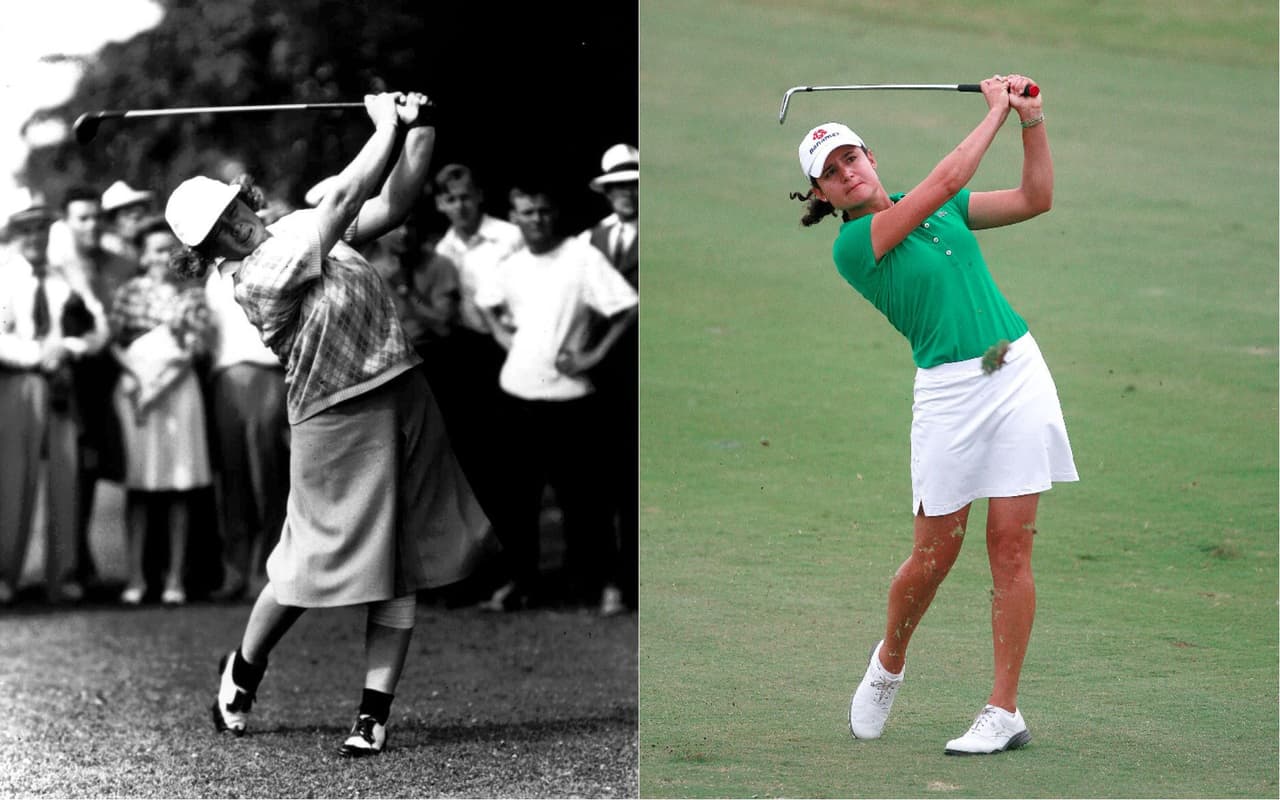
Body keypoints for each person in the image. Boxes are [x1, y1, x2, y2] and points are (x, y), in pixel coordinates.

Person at [165, 91, 488, 758]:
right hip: (334, 418)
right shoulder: (252, 278)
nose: (234, 229)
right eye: (216, 233)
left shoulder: (294, 227)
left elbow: (391, 205)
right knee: (306, 568)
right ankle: (242, 671)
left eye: (232, 213)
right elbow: (344, 196)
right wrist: (384, 123)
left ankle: (373, 714)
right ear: (204, 252)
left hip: (403, 393)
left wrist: (420, 125)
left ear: (244, 200)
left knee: (401, 561)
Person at [790, 74, 1078, 756]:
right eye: (831, 174)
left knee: (1011, 546)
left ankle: (1003, 710)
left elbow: (1036, 198)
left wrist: (1032, 120)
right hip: (950, 395)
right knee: (934, 554)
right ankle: (890, 661)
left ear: (871, 157)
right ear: (823, 196)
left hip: (1016, 372)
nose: (847, 174)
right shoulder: (855, 246)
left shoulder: (942, 210)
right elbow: (948, 178)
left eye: (851, 158)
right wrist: (996, 110)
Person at [474, 180, 638, 613]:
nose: (537, 220)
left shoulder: (582, 257)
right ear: (515, 217)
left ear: (555, 213)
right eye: (528, 212)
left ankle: (604, 585)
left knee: (586, 500)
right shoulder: (510, 266)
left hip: (572, 400)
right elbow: (486, 302)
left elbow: (628, 307)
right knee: (516, 501)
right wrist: (505, 337)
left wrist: (592, 356)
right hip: (517, 394)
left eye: (544, 211)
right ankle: (521, 582)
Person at [0, 202, 109, 604]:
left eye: (41, 230)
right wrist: (36, 355)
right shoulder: (6, 279)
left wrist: (70, 347)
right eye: (27, 231)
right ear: (16, 235)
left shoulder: (65, 279)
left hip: (62, 383)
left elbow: (99, 328)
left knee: (66, 475)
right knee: (13, 477)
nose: (35, 238)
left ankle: (62, 577)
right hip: (20, 382)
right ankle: (5, 576)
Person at [430, 163, 528, 609]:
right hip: (466, 358)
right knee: (476, 468)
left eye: (466, 196)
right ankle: (485, 575)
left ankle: (522, 574)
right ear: (440, 204)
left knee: (515, 465)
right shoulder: (443, 250)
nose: (461, 206)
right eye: (451, 199)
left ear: (480, 196)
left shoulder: (510, 236)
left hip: (513, 348)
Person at [108, 217, 215, 606]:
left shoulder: (191, 295)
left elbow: (192, 352)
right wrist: (139, 378)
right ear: (142, 255)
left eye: (168, 250)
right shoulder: (127, 293)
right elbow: (114, 342)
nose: (161, 258)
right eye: (153, 250)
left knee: (178, 487)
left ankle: (174, 578)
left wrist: (159, 387)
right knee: (139, 484)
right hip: (137, 390)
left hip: (177, 393)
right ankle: (136, 577)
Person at [53, 185, 138, 591]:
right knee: (78, 475)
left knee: (120, 471)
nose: (91, 225)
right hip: (72, 386)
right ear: (67, 222)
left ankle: (135, 567)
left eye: (96, 217)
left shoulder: (116, 263)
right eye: (82, 218)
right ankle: (75, 565)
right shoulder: (58, 266)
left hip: (111, 382)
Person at [203, 249, 290, 603]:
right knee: (232, 474)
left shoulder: (278, 258)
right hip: (226, 377)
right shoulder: (212, 274)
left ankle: (268, 568)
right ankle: (235, 568)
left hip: (267, 372)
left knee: (268, 473)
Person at [577, 143, 639, 615]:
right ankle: (606, 581)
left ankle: (629, 582)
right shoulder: (587, 241)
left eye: (634, 186)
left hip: (643, 372)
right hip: (602, 376)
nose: (627, 194)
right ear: (607, 192)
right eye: (618, 187)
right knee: (603, 479)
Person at [100, 180, 156, 262]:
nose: (135, 217)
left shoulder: (133, 247)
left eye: (139, 214)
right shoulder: (109, 246)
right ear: (112, 220)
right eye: (127, 213)